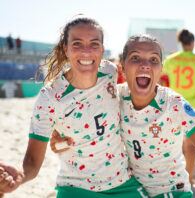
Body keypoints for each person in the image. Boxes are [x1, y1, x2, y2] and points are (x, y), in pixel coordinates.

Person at [50, 34, 195, 197]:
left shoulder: (174, 105)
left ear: (160, 70)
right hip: (130, 190)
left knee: (190, 148)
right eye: (135, 58)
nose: (145, 65)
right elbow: (66, 136)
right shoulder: (113, 97)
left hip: (172, 191)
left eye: (153, 60)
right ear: (122, 66)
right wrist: (60, 140)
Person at [0, 16, 147, 198]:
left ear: (102, 49)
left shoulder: (110, 72)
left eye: (94, 44)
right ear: (66, 49)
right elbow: (32, 160)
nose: (86, 51)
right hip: (76, 187)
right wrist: (20, 176)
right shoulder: (49, 97)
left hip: (123, 183)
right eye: (77, 44)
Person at [162, 29, 195, 183]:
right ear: (193, 43)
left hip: (174, 103)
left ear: (181, 42)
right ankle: (190, 177)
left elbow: (161, 77)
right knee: (190, 145)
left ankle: (173, 179)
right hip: (193, 105)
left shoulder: (171, 59)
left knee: (171, 144)